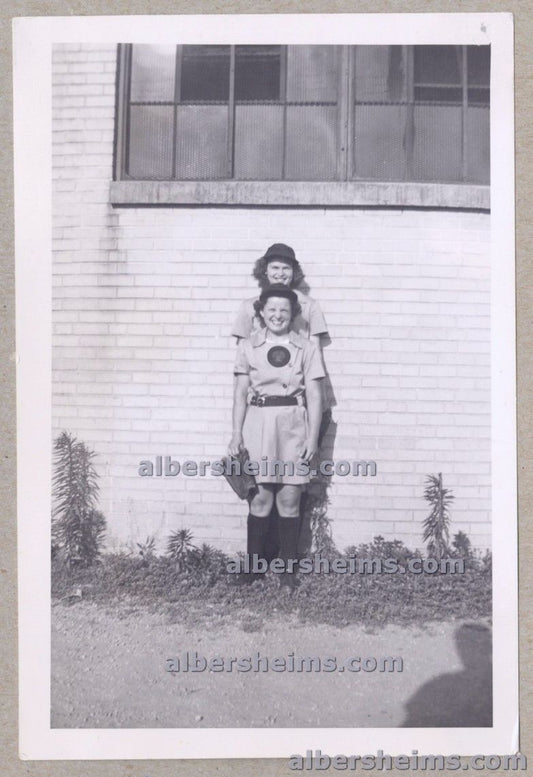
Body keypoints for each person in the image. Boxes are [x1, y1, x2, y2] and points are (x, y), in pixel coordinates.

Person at [228, 284, 325, 589]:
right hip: (258, 426)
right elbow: (240, 393)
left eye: (284, 309)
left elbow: (315, 396)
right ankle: (254, 568)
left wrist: (312, 439)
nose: (277, 315)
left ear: (293, 314)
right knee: (260, 499)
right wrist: (235, 434)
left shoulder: (306, 349)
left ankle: (287, 571)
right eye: (271, 309)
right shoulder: (248, 347)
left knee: (289, 498)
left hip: (293, 427)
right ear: (261, 312)